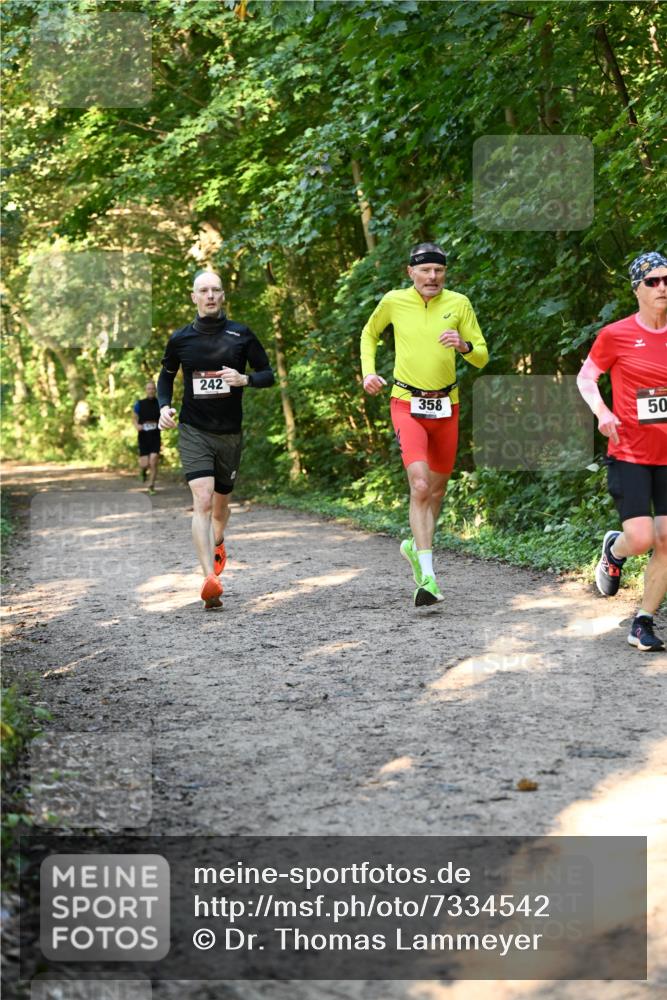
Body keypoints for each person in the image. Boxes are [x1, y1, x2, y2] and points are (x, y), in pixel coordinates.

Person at [361, 242, 488, 606]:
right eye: (425, 270)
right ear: (410, 272)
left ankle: (415, 547)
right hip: (406, 403)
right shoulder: (393, 301)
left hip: (447, 405)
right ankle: (428, 579)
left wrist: (464, 346)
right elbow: (369, 334)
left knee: (435, 492)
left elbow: (481, 356)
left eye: (439, 270)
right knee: (418, 485)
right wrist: (369, 372)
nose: (432, 277)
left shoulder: (459, 304)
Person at [158, 271, 275, 610]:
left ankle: (218, 542)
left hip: (230, 434)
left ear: (223, 296)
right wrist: (164, 407)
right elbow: (165, 378)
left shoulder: (241, 334)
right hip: (194, 431)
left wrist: (245, 379)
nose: (209, 296)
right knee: (203, 501)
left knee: (221, 509)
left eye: (215, 290)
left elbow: (267, 374)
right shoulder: (180, 339)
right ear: (193, 297)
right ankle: (210, 578)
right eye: (203, 291)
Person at [577, 251, 667, 652]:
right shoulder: (616, 334)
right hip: (630, 450)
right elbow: (587, 377)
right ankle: (614, 548)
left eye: (666, 280)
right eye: (653, 281)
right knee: (643, 537)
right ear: (637, 289)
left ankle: (642, 621)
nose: (662, 287)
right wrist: (602, 412)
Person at [132, 379, 161, 494]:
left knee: (153, 461)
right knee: (144, 464)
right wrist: (136, 425)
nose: (151, 391)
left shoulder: (160, 403)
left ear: (155, 390)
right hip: (143, 436)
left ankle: (151, 486)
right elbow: (134, 418)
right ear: (146, 390)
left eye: (153, 389)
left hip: (155, 436)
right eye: (149, 388)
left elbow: (165, 416)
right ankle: (143, 471)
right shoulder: (139, 404)